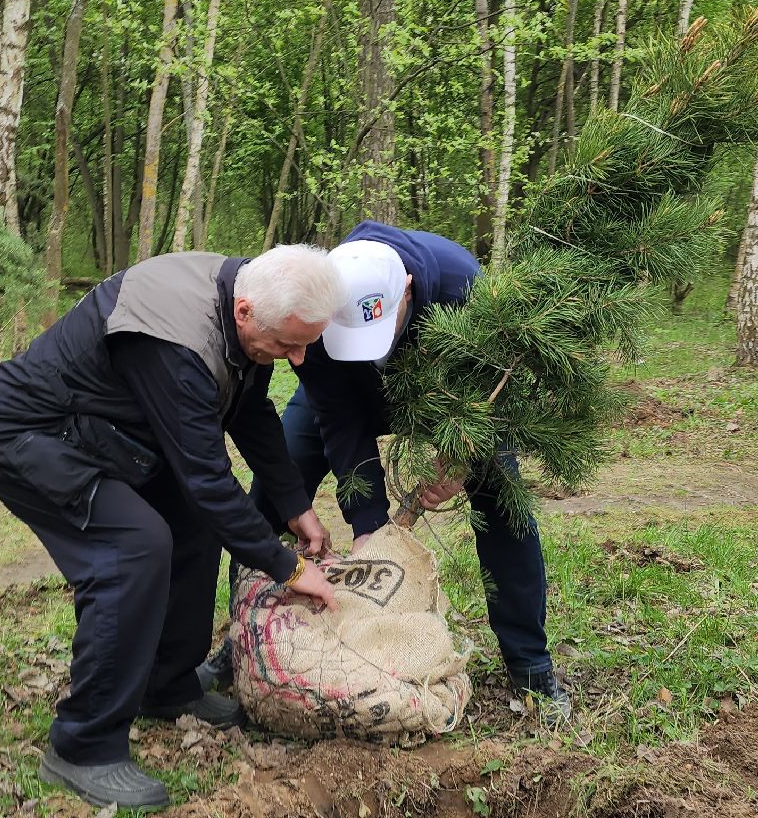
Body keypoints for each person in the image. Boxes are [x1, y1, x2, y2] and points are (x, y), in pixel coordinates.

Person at [0, 246, 343, 808]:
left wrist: (293, 503)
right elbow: (208, 478)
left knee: (194, 524)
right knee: (132, 548)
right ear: (246, 313)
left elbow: (250, 412)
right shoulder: (175, 341)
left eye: (307, 343)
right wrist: (289, 567)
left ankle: (167, 684)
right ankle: (83, 745)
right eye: (288, 345)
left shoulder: (246, 293)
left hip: (99, 431)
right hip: (24, 432)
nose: (298, 359)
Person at [234, 222, 572, 723]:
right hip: (345, 398)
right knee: (274, 491)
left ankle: (530, 667)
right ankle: (249, 640)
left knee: (503, 506)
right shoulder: (318, 301)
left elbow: (499, 390)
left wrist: (462, 453)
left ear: (407, 290)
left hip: (454, 402)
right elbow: (340, 421)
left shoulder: (465, 288)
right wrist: (368, 524)